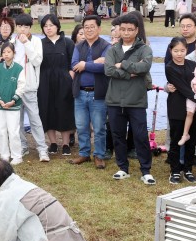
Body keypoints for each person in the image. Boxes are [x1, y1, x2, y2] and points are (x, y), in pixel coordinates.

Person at [103, 13, 155, 183]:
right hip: (115, 100)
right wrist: (129, 73)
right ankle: (122, 168)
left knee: (140, 136)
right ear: (119, 30)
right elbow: (108, 70)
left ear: (137, 30)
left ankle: (145, 170)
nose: (126, 33)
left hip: (136, 100)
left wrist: (123, 64)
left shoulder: (144, 49)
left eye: (130, 29)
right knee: (118, 135)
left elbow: (144, 67)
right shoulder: (113, 50)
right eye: (123, 29)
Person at [71, 15, 111, 169]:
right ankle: (84, 153)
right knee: (81, 126)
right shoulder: (78, 46)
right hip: (80, 93)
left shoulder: (106, 46)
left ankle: (99, 155)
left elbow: (105, 67)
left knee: (99, 127)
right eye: (86, 27)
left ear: (99, 29)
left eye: (92, 27)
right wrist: (94, 63)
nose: (88, 30)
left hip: (98, 93)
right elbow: (74, 65)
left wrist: (85, 65)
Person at [11, 14, 49, 161]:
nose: (23, 29)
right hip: (14, 87)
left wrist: (26, 43)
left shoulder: (36, 41)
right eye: (20, 26)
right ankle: (23, 145)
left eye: (26, 26)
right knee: (17, 119)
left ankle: (42, 148)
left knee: (34, 119)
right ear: (16, 27)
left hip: (29, 87)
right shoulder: (12, 41)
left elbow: (37, 61)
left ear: (30, 27)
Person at [37, 14, 75, 157]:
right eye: (45, 26)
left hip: (63, 81)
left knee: (64, 110)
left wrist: (70, 75)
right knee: (47, 110)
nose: (48, 28)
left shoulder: (67, 42)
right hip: (44, 81)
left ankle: (65, 144)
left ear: (57, 26)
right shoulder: (40, 43)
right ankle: (52, 142)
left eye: (51, 25)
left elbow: (73, 61)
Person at [164, 37, 196, 184]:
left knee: (192, 139)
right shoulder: (169, 67)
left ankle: (188, 169)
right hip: (177, 106)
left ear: (187, 50)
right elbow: (183, 87)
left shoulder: (193, 64)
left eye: (182, 50)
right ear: (170, 51)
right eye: (176, 51)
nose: (179, 54)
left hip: (194, 108)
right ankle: (175, 170)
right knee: (176, 139)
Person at [0, 42, 24, 164]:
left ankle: (17, 156)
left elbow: (21, 87)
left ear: (14, 53)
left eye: (9, 52)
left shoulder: (19, 69)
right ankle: (4, 154)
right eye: (4, 52)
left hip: (13, 106)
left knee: (13, 131)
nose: (6, 54)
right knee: (1, 130)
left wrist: (13, 100)